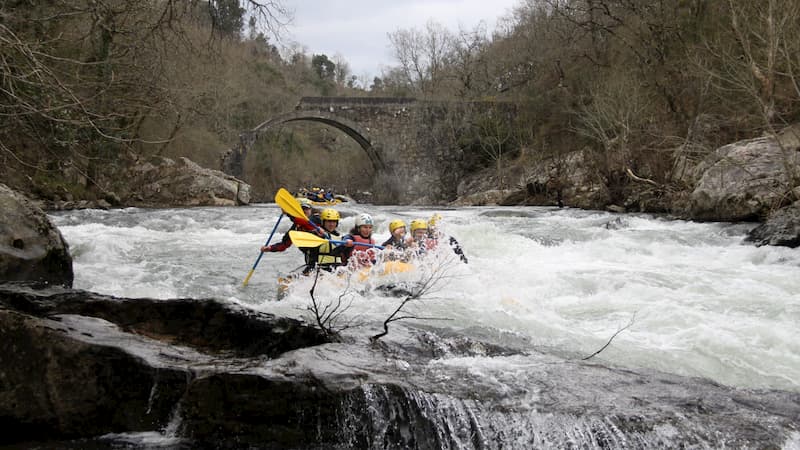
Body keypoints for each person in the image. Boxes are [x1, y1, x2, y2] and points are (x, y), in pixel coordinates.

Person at [304, 207, 348, 273]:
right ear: (323, 222)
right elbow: (305, 247)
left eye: (334, 221)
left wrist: (348, 246)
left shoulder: (340, 237)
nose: (331, 224)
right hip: (318, 269)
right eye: (329, 221)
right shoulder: (315, 233)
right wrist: (318, 236)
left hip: (335, 270)